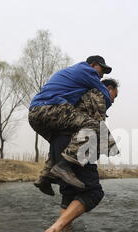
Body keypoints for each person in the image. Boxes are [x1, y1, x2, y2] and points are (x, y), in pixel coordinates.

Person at [29, 56, 118, 192]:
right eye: (102, 70)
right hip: (49, 108)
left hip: (36, 115)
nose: (101, 75)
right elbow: (104, 94)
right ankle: (63, 167)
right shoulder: (87, 71)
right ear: (93, 65)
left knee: (60, 139)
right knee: (93, 126)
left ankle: (45, 177)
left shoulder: (74, 75)